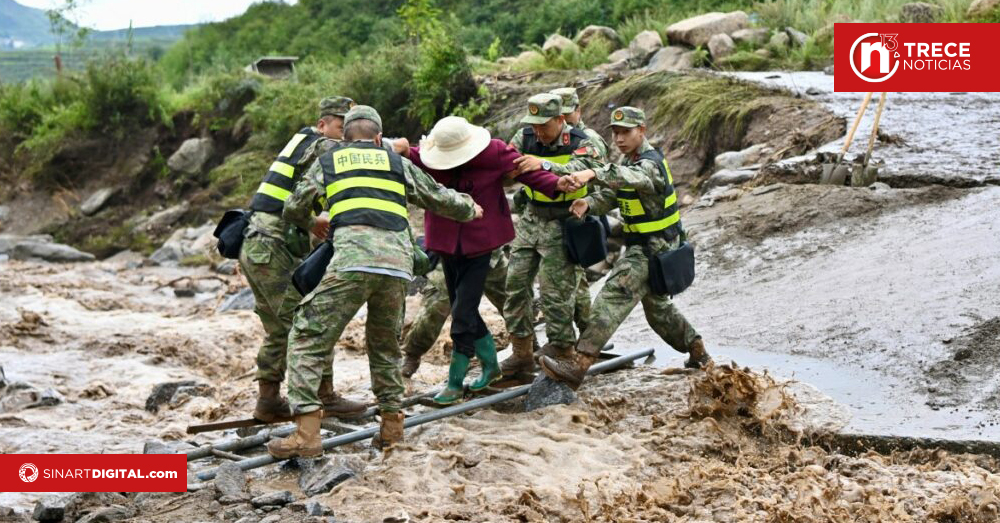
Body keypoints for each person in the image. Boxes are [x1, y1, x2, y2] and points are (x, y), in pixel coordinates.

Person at [268, 106, 482, 458]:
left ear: (345, 136)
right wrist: (470, 208)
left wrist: (315, 221)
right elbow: (439, 198)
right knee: (384, 348)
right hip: (397, 267)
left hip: (352, 262)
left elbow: (292, 207)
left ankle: (307, 434)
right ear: (378, 137)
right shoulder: (396, 162)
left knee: (307, 335)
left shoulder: (329, 161)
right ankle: (391, 429)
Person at [404, 116, 578, 404]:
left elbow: (527, 172)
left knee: (462, 313)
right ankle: (491, 365)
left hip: (480, 242)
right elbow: (407, 154)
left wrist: (558, 182)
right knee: (466, 308)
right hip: (446, 243)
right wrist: (393, 146)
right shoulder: (426, 158)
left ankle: (455, 382)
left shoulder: (493, 151)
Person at [540, 106, 712, 389]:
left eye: (626, 132)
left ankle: (578, 365)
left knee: (610, 298)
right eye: (616, 133)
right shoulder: (629, 161)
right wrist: (589, 203)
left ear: (641, 131)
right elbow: (613, 193)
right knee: (658, 311)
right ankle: (699, 353)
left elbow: (635, 179)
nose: (619, 138)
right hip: (649, 246)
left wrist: (592, 174)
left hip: (652, 248)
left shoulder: (650, 163)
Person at [239, 96, 360, 422]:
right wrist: (312, 222)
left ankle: (268, 401)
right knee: (312, 320)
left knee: (279, 328)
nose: (345, 136)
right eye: (340, 127)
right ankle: (325, 396)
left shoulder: (301, 141)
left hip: (257, 245)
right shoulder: (321, 145)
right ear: (323, 124)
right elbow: (356, 153)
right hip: (274, 246)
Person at [501, 93, 606, 377]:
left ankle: (562, 350)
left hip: (564, 221)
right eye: (533, 125)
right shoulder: (524, 137)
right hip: (532, 218)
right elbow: (508, 164)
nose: (538, 131)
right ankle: (521, 352)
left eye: (543, 125)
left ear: (560, 120)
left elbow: (586, 168)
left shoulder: (582, 141)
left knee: (555, 292)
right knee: (515, 283)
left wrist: (544, 164)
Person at [399, 249, 508, 379]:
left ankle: (525, 344)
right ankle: (412, 355)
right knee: (437, 303)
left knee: (508, 298)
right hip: (451, 250)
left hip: (487, 246)